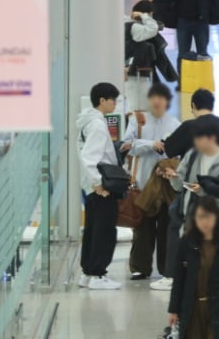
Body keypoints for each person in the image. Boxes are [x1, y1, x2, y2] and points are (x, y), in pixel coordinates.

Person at [122, 84, 182, 281]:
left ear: (167, 102)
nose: (157, 102)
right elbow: (125, 146)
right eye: (154, 98)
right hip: (143, 183)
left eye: (161, 99)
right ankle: (140, 267)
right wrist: (149, 144)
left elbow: (181, 153)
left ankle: (166, 269)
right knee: (143, 227)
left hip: (165, 185)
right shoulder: (138, 121)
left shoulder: (175, 124)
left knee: (166, 227)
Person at [165, 195, 219, 339]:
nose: (205, 221)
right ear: (194, 219)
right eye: (200, 217)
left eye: (208, 216)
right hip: (193, 308)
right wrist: (174, 310)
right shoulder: (186, 243)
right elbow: (179, 279)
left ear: (216, 216)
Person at [167, 119, 219, 250]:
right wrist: (173, 177)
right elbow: (179, 186)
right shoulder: (191, 156)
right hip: (192, 223)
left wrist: (203, 192)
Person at [77, 82, 122, 289]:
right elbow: (89, 157)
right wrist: (97, 183)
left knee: (93, 229)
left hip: (90, 186)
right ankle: (98, 274)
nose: (115, 103)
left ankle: (88, 273)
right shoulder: (97, 125)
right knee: (104, 231)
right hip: (100, 187)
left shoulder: (88, 122)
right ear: (102, 100)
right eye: (113, 99)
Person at [164, 89, 219, 162]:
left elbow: (169, 150)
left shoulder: (188, 127)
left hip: (192, 176)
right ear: (212, 106)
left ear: (193, 106)